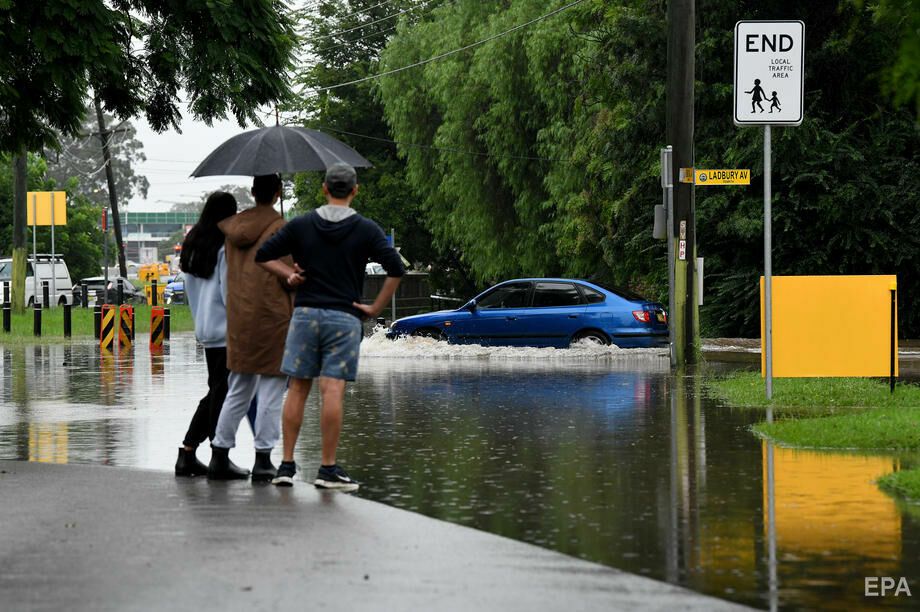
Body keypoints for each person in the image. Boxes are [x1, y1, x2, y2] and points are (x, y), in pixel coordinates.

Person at [255, 163, 404, 489]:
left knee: (297, 388)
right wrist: (375, 307)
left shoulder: (303, 224)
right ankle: (327, 469)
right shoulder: (367, 229)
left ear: (324, 188)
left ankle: (286, 466)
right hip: (344, 317)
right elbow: (396, 268)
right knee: (332, 390)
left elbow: (264, 255)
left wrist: (289, 276)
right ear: (354, 190)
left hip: (305, 314)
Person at [208, 174, 294, 481]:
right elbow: (287, 276)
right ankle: (263, 459)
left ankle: (219, 454)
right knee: (271, 390)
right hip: (272, 317)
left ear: (253, 192)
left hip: (240, 317)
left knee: (238, 389)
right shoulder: (280, 228)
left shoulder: (233, 231)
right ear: (278, 193)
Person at [174, 191, 237, 476]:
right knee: (221, 392)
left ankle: (188, 452)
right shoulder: (223, 248)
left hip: (205, 328)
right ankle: (216, 456)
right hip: (226, 329)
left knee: (217, 390)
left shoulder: (193, 245)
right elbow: (228, 293)